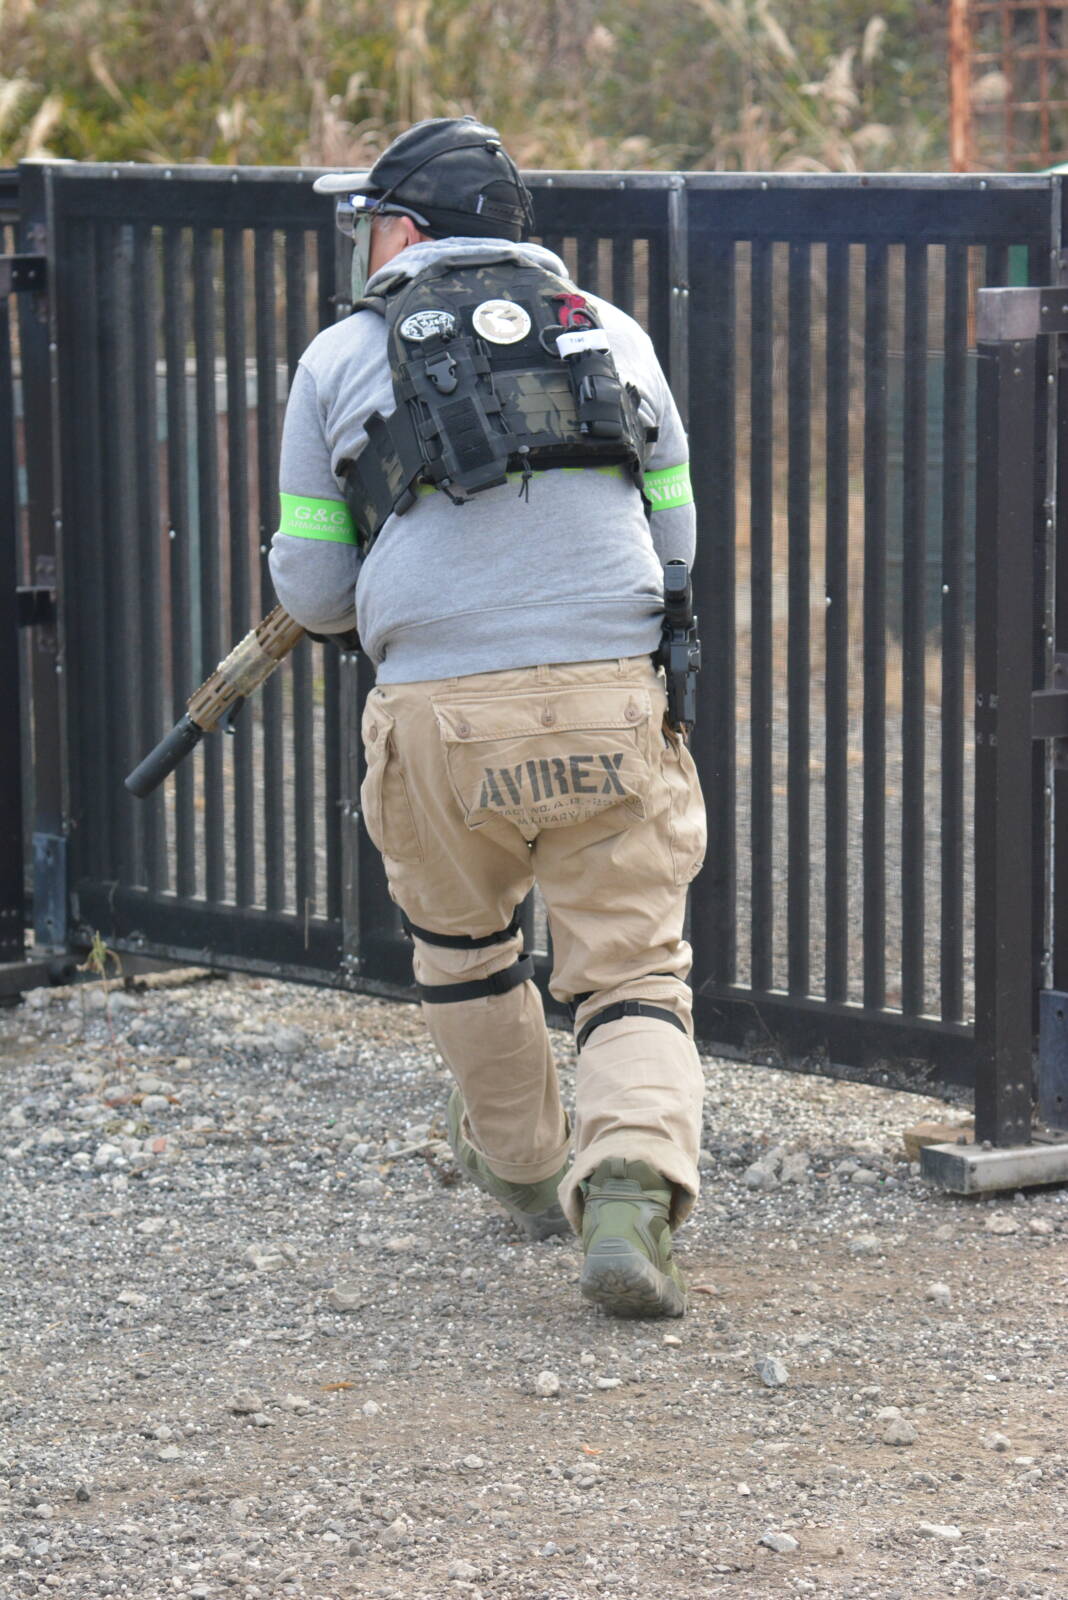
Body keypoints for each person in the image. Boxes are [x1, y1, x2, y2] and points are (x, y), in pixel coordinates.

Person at [268, 116, 706, 1318]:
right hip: (611, 695)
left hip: (439, 714)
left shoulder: (339, 358)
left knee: (465, 951)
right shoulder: (612, 332)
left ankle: (521, 1166)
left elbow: (315, 593)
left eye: (371, 222)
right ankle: (629, 1184)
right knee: (630, 968)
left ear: (406, 231)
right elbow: (674, 532)